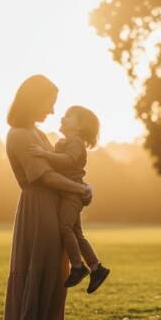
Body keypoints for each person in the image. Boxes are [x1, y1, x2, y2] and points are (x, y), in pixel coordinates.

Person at [2, 75, 92, 320]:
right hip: (37, 210)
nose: (53, 111)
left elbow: (63, 168)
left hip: (51, 208)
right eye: (50, 103)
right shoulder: (19, 134)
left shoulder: (38, 134)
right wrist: (81, 189)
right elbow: (44, 176)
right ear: (34, 100)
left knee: (53, 275)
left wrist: (77, 189)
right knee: (36, 273)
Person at [30, 105, 111, 293]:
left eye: (68, 116)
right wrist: (53, 150)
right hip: (69, 193)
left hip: (71, 194)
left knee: (64, 227)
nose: (62, 118)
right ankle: (97, 268)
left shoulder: (76, 143)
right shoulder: (67, 141)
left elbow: (68, 161)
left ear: (79, 126)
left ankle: (78, 266)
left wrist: (45, 154)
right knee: (76, 233)